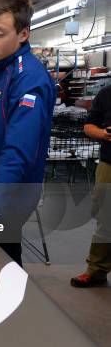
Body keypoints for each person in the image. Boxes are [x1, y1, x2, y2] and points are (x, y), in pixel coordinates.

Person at [0, 0, 56, 266]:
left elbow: (17, 151)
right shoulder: (0, 71)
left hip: (5, 201)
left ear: (22, 34)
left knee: (1, 267)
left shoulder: (28, 80)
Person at [71, 85, 111, 287]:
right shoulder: (106, 93)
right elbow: (89, 127)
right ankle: (96, 270)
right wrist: (104, 134)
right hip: (109, 164)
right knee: (105, 217)